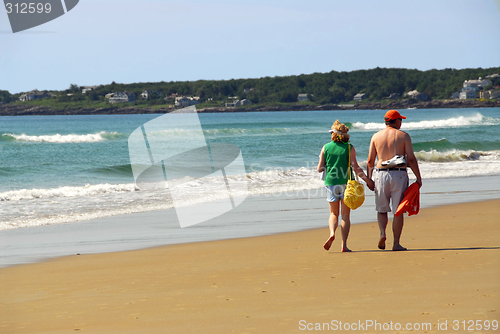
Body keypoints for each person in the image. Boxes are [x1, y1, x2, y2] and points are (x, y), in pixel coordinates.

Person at [367, 110, 422, 251]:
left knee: (381, 209)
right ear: (397, 121)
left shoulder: (375, 136)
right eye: (401, 120)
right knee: (398, 211)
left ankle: (382, 233)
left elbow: (370, 160)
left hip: (380, 174)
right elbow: (411, 159)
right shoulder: (403, 136)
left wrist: (369, 179)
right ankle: (396, 243)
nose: (401, 123)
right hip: (398, 174)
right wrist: (418, 177)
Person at [318, 120, 374, 252]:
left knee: (333, 213)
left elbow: (320, 168)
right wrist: (367, 180)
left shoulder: (325, 147)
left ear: (333, 134)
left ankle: (332, 233)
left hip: (331, 183)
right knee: (345, 216)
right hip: (347, 184)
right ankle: (344, 245)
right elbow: (356, 167)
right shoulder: (349, 147)